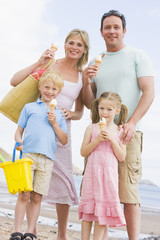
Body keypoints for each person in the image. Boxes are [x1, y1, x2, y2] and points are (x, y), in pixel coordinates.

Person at [10, 28, 89, 240]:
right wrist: (38, 62)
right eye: (71, 42)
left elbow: (81, 111)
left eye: (79, 45)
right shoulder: (50, 63)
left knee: (62, 180)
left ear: (84, 50)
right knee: (30, 181)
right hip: (37, 126)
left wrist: (69, 113)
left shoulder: (82, 76)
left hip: (62, 127)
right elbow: (15, 81)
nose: (74, 47)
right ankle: (31, 230)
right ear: (65, 44)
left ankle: (62, 235)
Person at [82, 10, 154, 240]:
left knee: (129, 192)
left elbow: (149, 92)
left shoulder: (137, 56)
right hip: (100, 136)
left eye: (116, 27)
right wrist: (86, 82)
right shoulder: (96, 61)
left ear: (124, 31)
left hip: (128, 134)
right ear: (101, 32)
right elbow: (89, 104)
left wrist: (132, 123)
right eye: (107, 27)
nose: (111, 31)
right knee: (97, 193)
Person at [10, 70, 67, 240]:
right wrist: (19, 141)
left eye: (54, 89)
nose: (50, 91)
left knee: (37, 196)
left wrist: (54, 122)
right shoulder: (30, 107)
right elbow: (18, 131)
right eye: (47, 87)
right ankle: (17, 229)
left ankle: (30, 231)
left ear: (59, 92)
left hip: (47, 159)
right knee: (24, 194)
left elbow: (64, 140)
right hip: (27, 156)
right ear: (40, 87)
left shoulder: (59, 114)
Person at [78, 92, 128, 240]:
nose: (104, 113)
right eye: (102, 108)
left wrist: (112, 140)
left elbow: (121, 157)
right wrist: (97, 140)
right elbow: (83, 152)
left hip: (109, 177)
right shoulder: (91, 128)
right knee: (88, 213)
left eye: (109, 109)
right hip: (92, 175)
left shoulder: (120, 131)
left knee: (102, 214)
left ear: (117, 111)